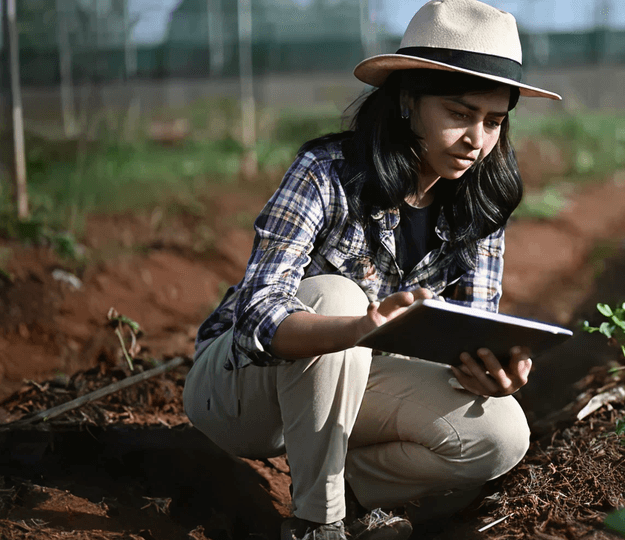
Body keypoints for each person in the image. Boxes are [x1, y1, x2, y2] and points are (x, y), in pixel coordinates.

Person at [182, 1, 562, 539]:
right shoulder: (326, 174)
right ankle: (320, 522)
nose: (478, 139)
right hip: (242, 394)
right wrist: (357, 329)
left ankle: (351, 486)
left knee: (500, 434)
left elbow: (473, 324)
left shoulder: (480, 206)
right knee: (336, 296)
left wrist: (492, 369)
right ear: (408, 101)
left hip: (349, 394)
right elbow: (257, 320)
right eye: (459, 114)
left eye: (494, 121)